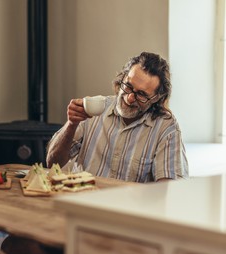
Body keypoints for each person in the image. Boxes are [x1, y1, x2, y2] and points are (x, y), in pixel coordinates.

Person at [46, 52, 189, 182]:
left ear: (156, 98)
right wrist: (72, 124)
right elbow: (53, 163)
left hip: (130, 209)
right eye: (128, 86)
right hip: (87, 202)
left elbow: (169, 189)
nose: (130, 98)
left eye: (142, 95)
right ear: (122, 78)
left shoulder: (166, 127)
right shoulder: (95, 108)